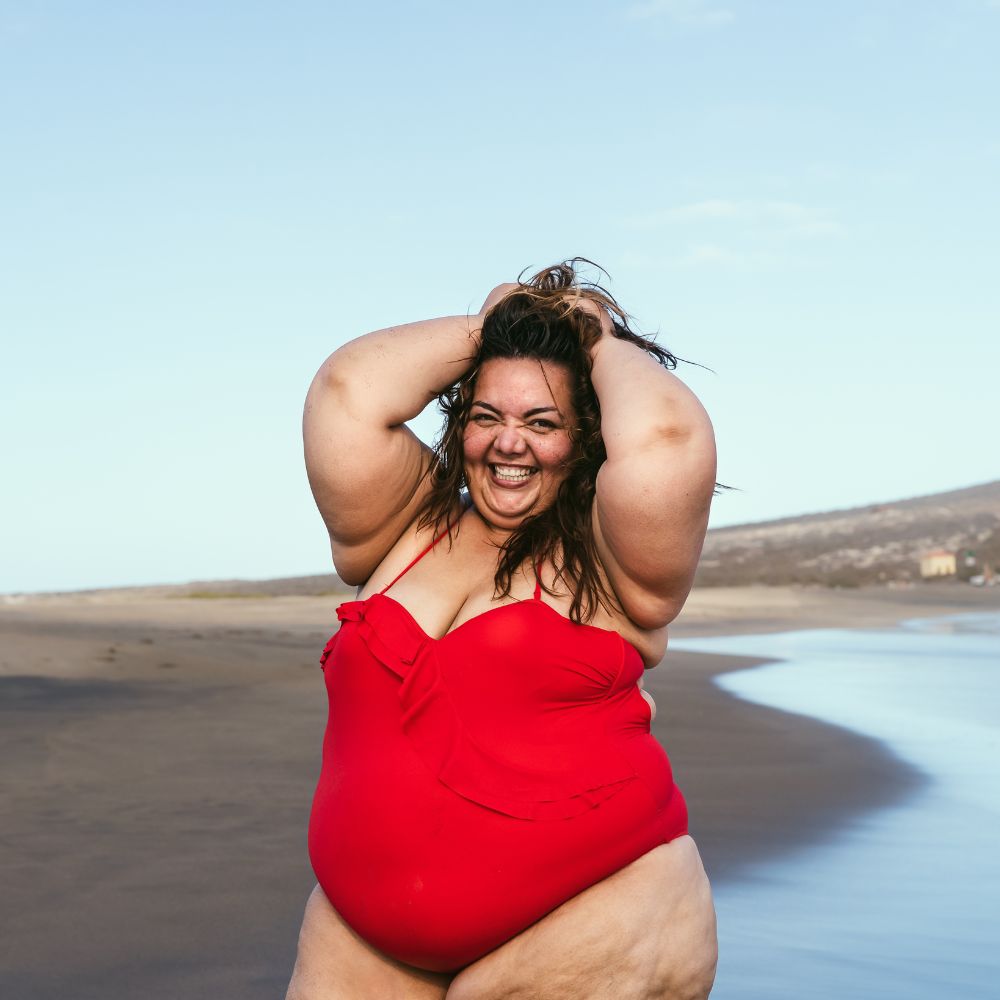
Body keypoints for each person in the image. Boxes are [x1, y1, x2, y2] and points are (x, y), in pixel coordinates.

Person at [288, 260, 719, 999]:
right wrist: (498, 325)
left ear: (586, 440)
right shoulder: (403, 524)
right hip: (362, 945)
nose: (509, 442)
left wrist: (592, 341)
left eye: (543, 422)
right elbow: (347, 393)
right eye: (488, 416)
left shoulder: (612, 563)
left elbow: (667, 438)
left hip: (596, 924)